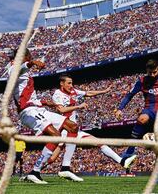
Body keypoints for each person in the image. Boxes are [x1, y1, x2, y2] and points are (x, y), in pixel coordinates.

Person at [8, 48, 79, 184]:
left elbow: (30, 98)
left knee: (73, 127)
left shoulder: (26, 75)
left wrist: (46, 102)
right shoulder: (13, 69)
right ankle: (35, 171)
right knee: (56, 136)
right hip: (28, 112)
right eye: (28, 56)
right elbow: (20, 68)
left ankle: (65, 167)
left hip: (38, 109)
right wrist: (32, 62)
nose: (29, 58)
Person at [47, 74, 128, 182]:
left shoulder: (73, 92)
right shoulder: (57, 94)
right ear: (62, 83)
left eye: (72, 83)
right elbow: (61, 110)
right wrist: (78, 106)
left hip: (74, 129)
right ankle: (37, 171)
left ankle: (122, 162)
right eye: (69, 83)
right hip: (64, 129)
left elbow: (88, 93)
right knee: (52, 158)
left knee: (99, 142)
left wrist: (104, 91)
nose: (71, 85)